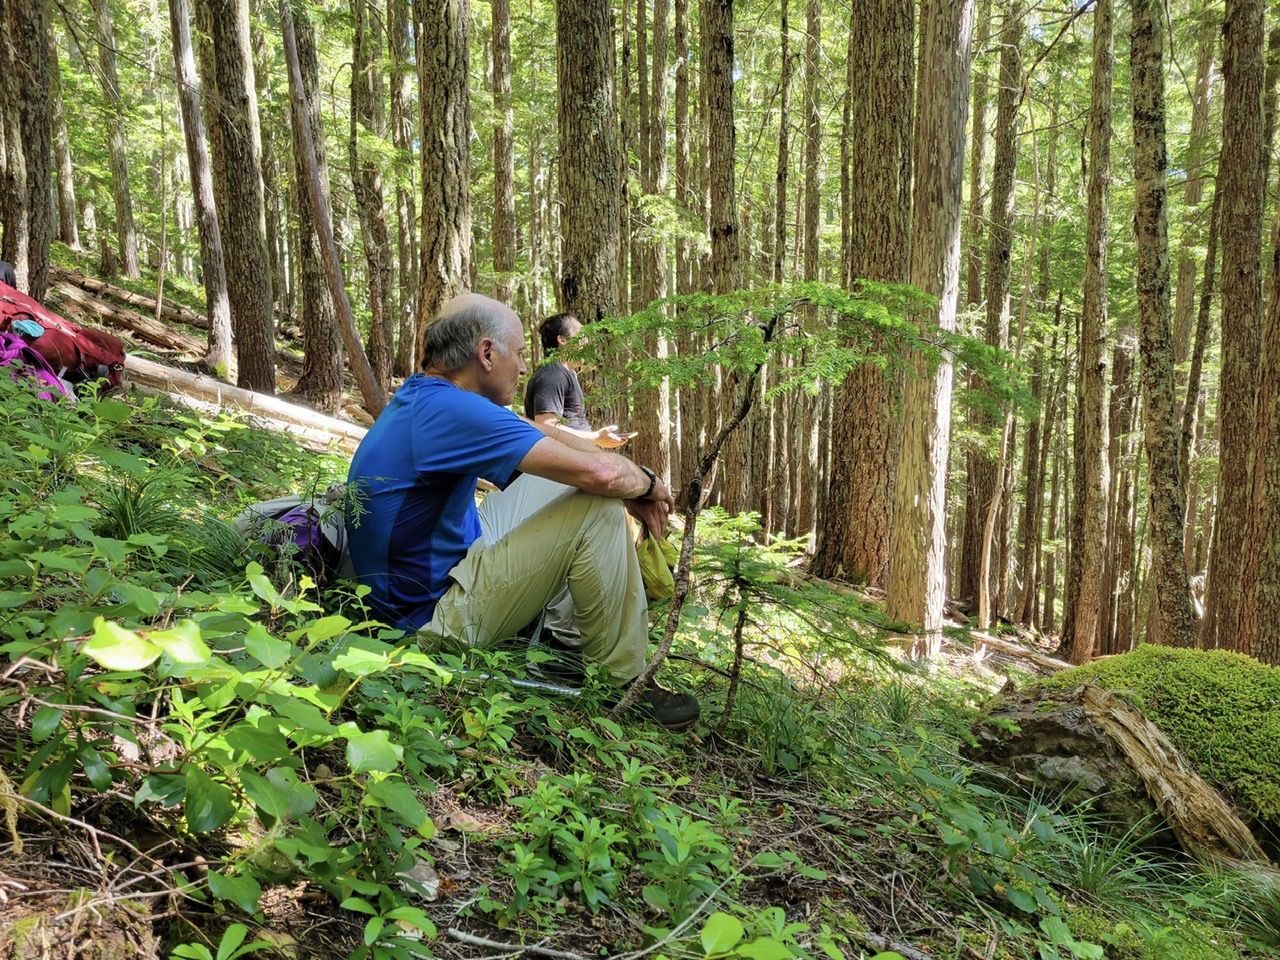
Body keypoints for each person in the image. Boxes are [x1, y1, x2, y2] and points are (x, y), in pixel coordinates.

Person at [345, 293, 699, 728]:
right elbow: (602, 475)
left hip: (431, 575)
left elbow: (539, 433)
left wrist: (626, 483)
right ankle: (623, 682)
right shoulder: (452, 409)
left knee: (565, 480)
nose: (525, 366)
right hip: (428, 622)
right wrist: (647, 482)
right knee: (597, 506)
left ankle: (562, 636)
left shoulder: (429, 396)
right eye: (519, 353)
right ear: (486, 353)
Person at [525, 311, 632, 447]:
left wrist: (598, 440)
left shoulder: (566, 373)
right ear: (562, 340)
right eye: (581, 335)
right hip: (563, 459)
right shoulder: (553, 375)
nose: (586, 341)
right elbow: (547, 426)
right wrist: (595, 437)